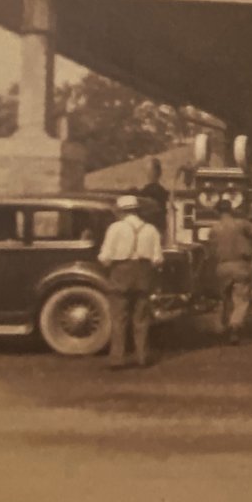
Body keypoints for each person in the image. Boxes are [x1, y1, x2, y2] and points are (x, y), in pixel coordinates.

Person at [98, 195, 165, 368]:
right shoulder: (151, 229)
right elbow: (158, 259)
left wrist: (108, 263)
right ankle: (142, 357)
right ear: (137, 210)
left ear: (121, 211)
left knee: (119, 317)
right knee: (141, 318)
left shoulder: (115, 228)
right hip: (143, 273)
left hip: (121, 272)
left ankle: (117, 359)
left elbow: (105, 257)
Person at [207, 199, 252, 345]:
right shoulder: (242, 224)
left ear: (217, 212)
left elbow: (211, 251)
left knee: (227, 299)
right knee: (241, 300)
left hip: (222, 268)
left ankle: (226, 325)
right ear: (232, 210)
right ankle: (234, 326)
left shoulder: (214, 229)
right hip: (241, 266)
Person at [137, 157, 170, 238]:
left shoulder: (153, 191)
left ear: (156, 172)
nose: (147, 173)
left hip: (153, 231)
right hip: (158, 230)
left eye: (149, 170)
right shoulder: (162, 191)